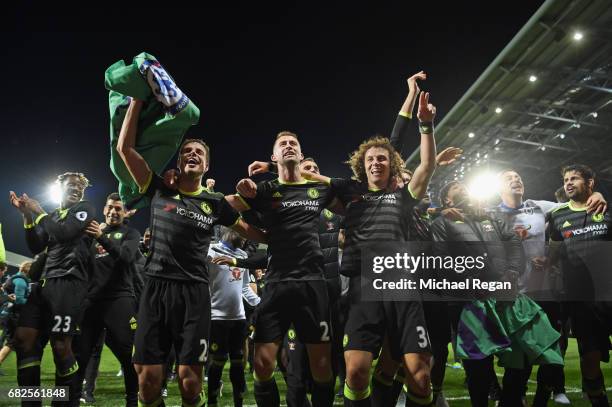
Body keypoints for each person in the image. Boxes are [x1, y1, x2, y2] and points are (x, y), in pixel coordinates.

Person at [116, 98, 266, 407]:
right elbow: (125, 150)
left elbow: (254, 233)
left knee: (189, 382)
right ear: (179, 160)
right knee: (148, 382)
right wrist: (137, 101)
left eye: (199, 152)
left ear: (207, 165)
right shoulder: (159, 187)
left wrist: (272, 213)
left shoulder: (215, 203)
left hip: (195, 294)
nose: (192, 154)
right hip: (156, 288)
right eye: (187, 151)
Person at [229, 130, 342, 407]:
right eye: (283, 144)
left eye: (294, 144)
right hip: (277, 283)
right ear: (274, 155)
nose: (289, 146)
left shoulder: (320, 191)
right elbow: (225, 210)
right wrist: (263, 235)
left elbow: (355, 202)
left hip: (313, 283)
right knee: (263, 365)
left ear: (301, 155)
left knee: (322, 367)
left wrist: (277, 168)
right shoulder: (264, 191)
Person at [431, 180, 563, 407]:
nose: (464, 189)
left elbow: (513, 243)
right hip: (469, 302)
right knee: (479, 365)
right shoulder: (442, 223)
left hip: (505, 295)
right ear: (447, 200)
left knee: (523, 354)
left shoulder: (491, 218)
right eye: (456, 189)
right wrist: (472, 284)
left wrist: (512, 272)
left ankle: (511, 401)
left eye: (465, 187)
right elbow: (441, 259)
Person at [489, 169, 606, 406]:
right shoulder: (490, 215)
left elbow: (575, 205)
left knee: (552, 355)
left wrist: (599, 195)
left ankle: (542, 399)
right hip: (513, 296)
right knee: (517, 361)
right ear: (498, 188)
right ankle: (512, 398)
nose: (516, 179)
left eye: (519, 177)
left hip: (545, 294)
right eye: (509, 178)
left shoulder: (539, 207)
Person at [10, 172, 96, 406]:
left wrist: (39, 212)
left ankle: (66, 402)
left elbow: (64, 232)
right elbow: (36, 245)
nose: (77, 189)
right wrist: (28, 216)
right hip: (44, 284)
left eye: (80, 187)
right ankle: (30, 402)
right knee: (23, 339)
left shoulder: (85, 209)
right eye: (71, 185)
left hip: (69, 283)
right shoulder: (54, 215)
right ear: (60, 189)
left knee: (60, 347)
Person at [548, 165, 612, 407]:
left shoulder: (606, 208)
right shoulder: (557, 215)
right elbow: (553, 249)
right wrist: (547, 262)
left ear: (591, 183)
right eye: (565, 179)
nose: (569, 182)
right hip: (582, 301)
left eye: (574, 178)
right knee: (590, 361)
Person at [73, 192, 141, 406]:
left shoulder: (130, 233)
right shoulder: (89, 235)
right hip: (92, 303)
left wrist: (100, 237)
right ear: (104, 209)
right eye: (110, 207)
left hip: (120, 300)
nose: (113, 211)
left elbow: (127, 258)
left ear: (124, 212)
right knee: (81, 357)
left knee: (128, 357)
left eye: (118, 208)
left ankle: (132, 401)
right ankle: (73, 399)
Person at [207, 226, 260, 407]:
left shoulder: (242, 257)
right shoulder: (210, 252)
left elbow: (245, 288)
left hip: (238, 318)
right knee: (218, 360)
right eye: (240, 232)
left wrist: (261, 303)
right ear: (226, 231)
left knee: (238, 362)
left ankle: (239, 402)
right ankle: (212, 400)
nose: (244, 236)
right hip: (216, 318)